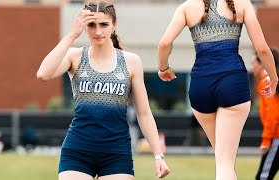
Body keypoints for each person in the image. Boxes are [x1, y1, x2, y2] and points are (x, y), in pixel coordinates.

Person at [37, 1, 170, 180]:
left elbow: (144, 113)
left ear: (114, 26)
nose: (98, 31)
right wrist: (71, 34)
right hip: (78, 150)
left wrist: (158, 155)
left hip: (116, 152)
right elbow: (43, 74)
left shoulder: (131, 62)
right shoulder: (75, 56)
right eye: (91, 25)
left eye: (104, 25)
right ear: (85, 27)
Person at [157, 0, 278, 179]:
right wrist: (274, 78)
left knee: (223, 161)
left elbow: (164, 44)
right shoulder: (241, 3)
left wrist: (163, 69)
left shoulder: (187, 7)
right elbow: (262, 48)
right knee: (225, 164)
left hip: (201, 86)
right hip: (233, 84)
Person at [252, 48, 279, 180]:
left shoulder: (266, 81)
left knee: (263, 177)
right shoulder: (273, 79)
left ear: (262, 63)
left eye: (254, 64)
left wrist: (266, 141)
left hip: (276, 137)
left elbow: (273, 113)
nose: (252, 68)